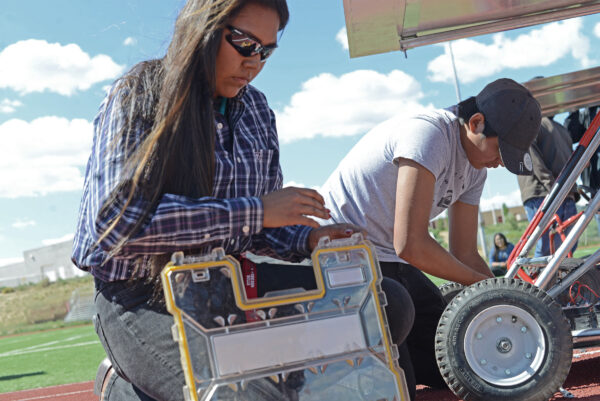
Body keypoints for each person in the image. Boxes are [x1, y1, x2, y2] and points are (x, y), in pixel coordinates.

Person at [71, 1, 415, 400]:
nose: (255, 62)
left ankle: (260, 381)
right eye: (244, 43)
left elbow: (257, 232)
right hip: (142, 295)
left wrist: (307, 239)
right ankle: (124, 386)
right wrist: (257, 212)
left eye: (266, 51)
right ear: (202, 29)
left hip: (230, 285)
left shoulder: (257, 110)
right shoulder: (138, 94)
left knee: (390, 305)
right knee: (244, 395)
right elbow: (113, 227)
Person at [318, 78, 542, 393]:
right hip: (339, 255)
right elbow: (410, 243)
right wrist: (488, 289)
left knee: (455, 362)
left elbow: (464, 252)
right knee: (398, 385)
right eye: (501, 150)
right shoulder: (429, 135)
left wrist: (502, 294)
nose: (501, 162)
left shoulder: (476, 169)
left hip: (388, 258)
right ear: (476, 123)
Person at [517, 115, 578, 257]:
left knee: (568, 245)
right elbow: (532, 159)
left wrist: (567, 190)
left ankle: (559, 278)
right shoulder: (531, 124)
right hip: (544, 192)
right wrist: (555, 187)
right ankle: (541, 277)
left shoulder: (560, 128)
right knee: (547, 247)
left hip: (562, 192)